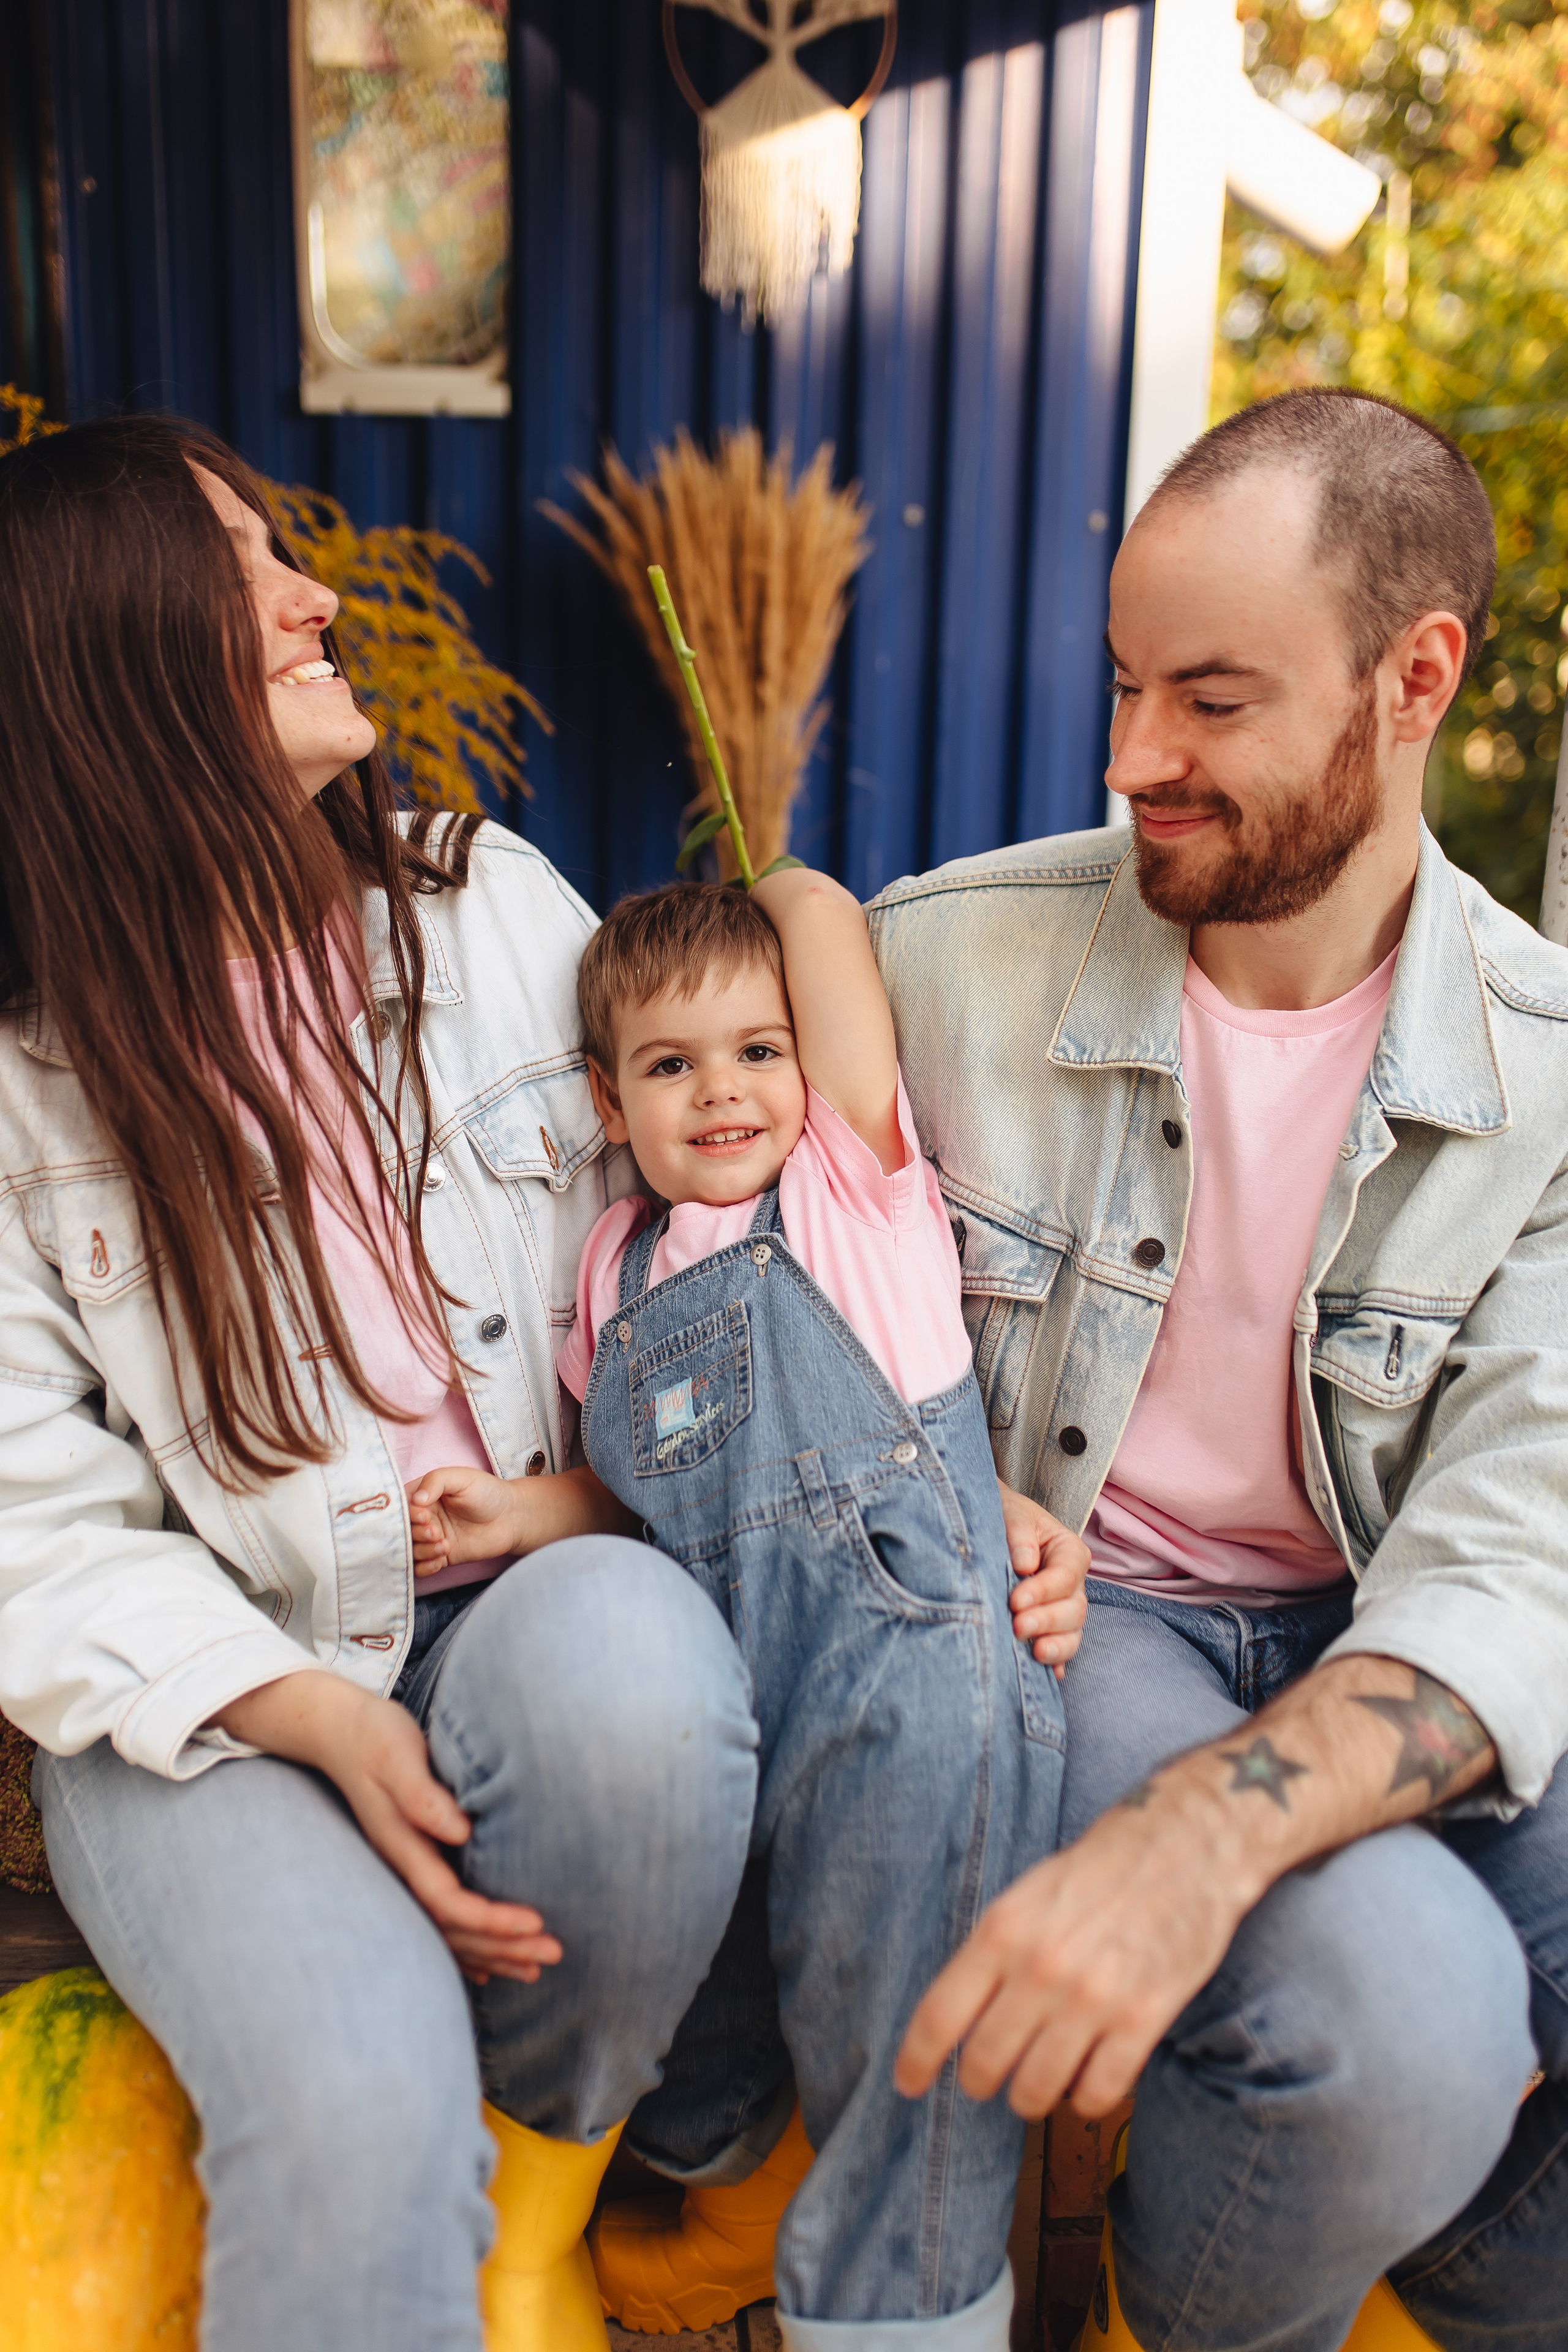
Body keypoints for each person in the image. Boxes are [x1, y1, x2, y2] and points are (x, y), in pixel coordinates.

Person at [0, 415, 766, 2352]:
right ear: (108, 666)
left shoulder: (487, 904)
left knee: (637, 1685)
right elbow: (36, 1526)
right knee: (349, 2108)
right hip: (219, 1698)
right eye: (239, 571)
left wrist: (605, 1502)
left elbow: (704, 1256)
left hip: (530, 1591)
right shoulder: (25, 1081)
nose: (312, 592)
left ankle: (533, 2198)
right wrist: (319, 1725)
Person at [876, 390, 1567, 2350]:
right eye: (1121, 688)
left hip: (1400, 1622)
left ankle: (1375, 2254)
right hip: (1086, 1620)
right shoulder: (940, 970)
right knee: (1405, 2017)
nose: (1132, 761)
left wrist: (1214, 1835)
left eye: (1210, 701)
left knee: (1387, 2087)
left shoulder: (1549, 1073)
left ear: (1414, 677)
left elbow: (1519, 1554)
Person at [406, 871, 1082, 2349]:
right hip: (740, 1701)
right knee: (743, 2005)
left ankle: (896, 2319)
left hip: (904, 1673)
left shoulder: (850, 1192)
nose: (723, 1091)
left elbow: (821, 922)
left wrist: (753, 877)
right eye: (670, 1063)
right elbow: (638, 1492)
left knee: (905, 2049)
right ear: (606, 1100)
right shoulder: (615, 1269)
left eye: (757, 1050)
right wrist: (519, 1514)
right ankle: (736, 2214)